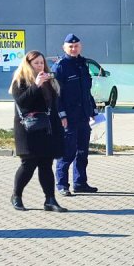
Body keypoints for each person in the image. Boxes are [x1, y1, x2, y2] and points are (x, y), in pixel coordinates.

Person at [9, 51, 67, 212]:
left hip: (46, 128)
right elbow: (22, 102)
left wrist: (59, 123)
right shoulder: (20, 81)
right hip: (28, 129)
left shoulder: (49, 81)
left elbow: (53, 105)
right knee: (28, 164)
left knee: (46, 164)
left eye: (42, 62)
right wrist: (36, 85)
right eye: (36, 63)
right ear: (28, 64)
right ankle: (16, 196)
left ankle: (50, 200)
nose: (40, 65)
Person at [52, 34, 99, 196]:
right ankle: (62, 185)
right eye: (70, 46)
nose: (74, 49)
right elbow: (55, 95)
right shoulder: (60, 67)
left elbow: (86, 91)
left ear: (80, 46)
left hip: (83, 116)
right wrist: (62, 116)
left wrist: (92, 109)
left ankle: (80, 183)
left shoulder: (82, 64)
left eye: (76, 46)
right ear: (64, 48)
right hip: (68, 118)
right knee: (67, 153)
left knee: (82, 152)